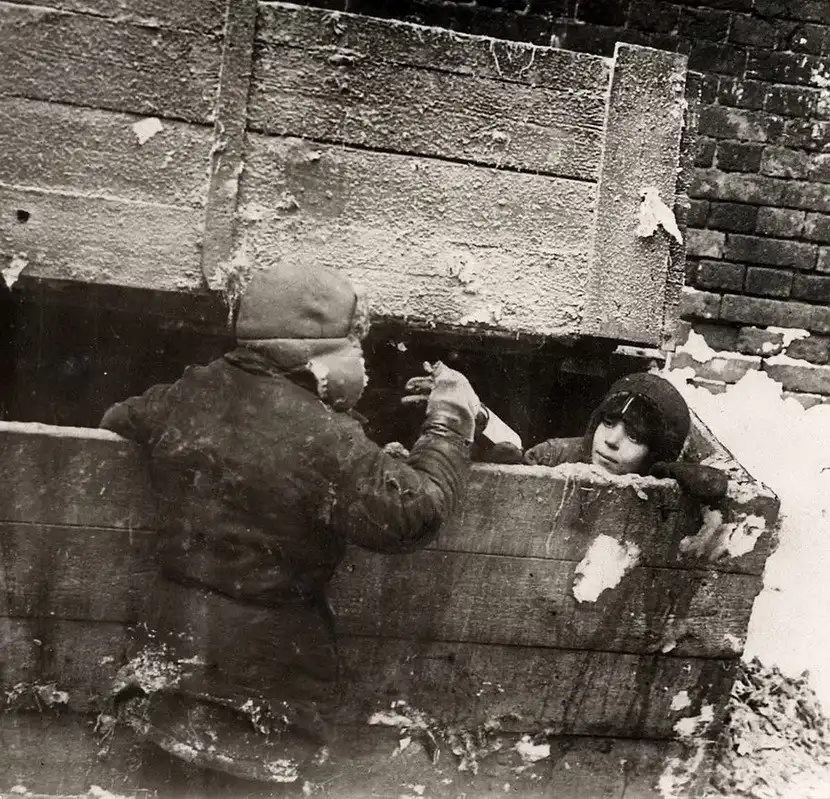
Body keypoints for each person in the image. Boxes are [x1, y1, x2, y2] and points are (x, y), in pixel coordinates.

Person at [99, 262, 481, 789]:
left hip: (164, 671)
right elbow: (416, 514)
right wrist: (450, 425)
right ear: (313, 350)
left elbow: (120, 419)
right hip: (262, 695)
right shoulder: (325, 439)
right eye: (354, 342)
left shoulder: (187, 394)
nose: (362, 359)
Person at [522, 372, 728, 504]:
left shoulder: (655, 469)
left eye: (633, 436)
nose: (611, 441)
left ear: (655, 454)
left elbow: (714, 485)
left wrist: (665, 472)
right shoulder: (556, 454)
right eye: (608, 423)